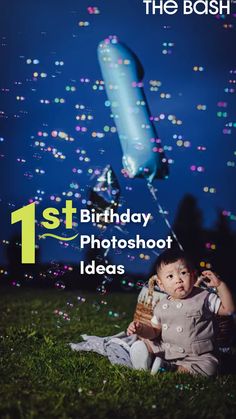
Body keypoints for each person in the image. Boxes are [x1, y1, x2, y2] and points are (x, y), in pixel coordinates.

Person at [127, 249, 235, 376]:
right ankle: (144, 355)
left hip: (197, 354)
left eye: (183, 273)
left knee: (210, 366)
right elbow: (154, 332)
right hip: (167, 348)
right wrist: (141, 329)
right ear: (161, 285)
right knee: (148, 343)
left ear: (194, 276)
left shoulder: (204, 297)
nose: (178, 279)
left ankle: (172, 369)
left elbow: (229, 310)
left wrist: (220, 285)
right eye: (170, 276)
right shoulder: (161, 306)